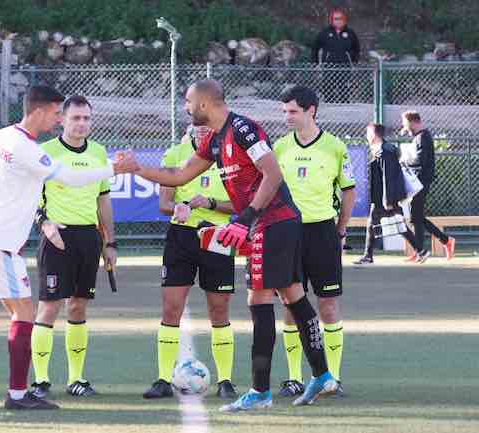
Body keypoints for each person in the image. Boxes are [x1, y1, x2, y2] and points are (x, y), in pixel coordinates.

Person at [134, 79, 337, 411]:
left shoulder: (243, 129)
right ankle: (322, 375)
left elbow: (273, 175)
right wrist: (137, 169)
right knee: (293, 296)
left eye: (187, 101)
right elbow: (180, 176)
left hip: (273, 223)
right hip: (273, 224)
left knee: (258, 300)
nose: (184, 107)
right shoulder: (215, 141)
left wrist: (244, 220)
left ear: (203, 104)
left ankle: (260, 392)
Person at [0, 86, 137, 410]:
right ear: (40, 111)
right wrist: (115, 168)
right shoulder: (25, 147)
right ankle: (17, 395)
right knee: (25, 315)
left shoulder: (1, 136)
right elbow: (69, 177)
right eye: (58, 113)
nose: (59, 120)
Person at [29, 95, 118, 400]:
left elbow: (103, 201)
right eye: (75, 118)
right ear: (62, 120)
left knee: (78, 306)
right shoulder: (45, 153)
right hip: (57, 239)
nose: (81, 123)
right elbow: (29, 199)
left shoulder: (99, 152)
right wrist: (45, 224)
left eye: (86, 118)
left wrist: (110, 242)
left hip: (88, 239)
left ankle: (76, 379)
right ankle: (40, 381)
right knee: (49, 306)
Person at [142, 125, 238, 400]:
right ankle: (162, 379)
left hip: (218, 236)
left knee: (219, 310)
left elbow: (240, 205)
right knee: (171, 307)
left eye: (207, 123)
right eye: (197, 123)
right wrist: (179, 208)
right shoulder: (175, 154)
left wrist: (209, 203)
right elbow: (164, 203)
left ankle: (226, 381)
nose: (202, 129)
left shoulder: (231, 157)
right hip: (181, 237)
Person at [273, 85, 354, 398]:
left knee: (328, 305)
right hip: (288, 232)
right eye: (285, 112)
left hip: (323, 232)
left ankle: (332, 377)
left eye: (292, 111)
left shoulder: (335, 147)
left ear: (311, 111)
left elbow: (348, 190)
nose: (287, 117)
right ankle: (293, 377)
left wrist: (341, 228)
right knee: (291, 305)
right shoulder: (280, 147)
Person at [354, 123, 420, 264]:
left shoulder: (385, 151)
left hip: (385, 198)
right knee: (378, 224)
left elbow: (388, 177)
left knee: (396, 225)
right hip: (381, 198)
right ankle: (368, 255)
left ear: (373, 134)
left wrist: (388, 200)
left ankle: (420, 250)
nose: (366, 136)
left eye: (368, 133)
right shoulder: (379, 149)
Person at [400, 111, 455, 261]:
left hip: (421, 182)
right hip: (418, 182)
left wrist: (404, 161)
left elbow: (420, 160)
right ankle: (426, 248)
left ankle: (438, 244)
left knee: (416, 217)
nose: (404, 126)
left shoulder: (423, 137)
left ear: (413, 122)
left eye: (405, 123)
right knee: (416, 217)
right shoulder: (419, 137)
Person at [313, 8, 360, 104]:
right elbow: (315, 47)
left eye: (340, 19)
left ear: (344, 20)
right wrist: (316, 63)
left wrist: (354, 62)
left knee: (344, 88)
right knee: (328, 87)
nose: (338, 21)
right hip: (329, 65)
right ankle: (329, 105)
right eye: (336, 19)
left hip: (344, 65)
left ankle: (344, 107)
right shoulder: (325, 33)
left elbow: (357, 48)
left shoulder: (350, 33)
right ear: (332, 20)